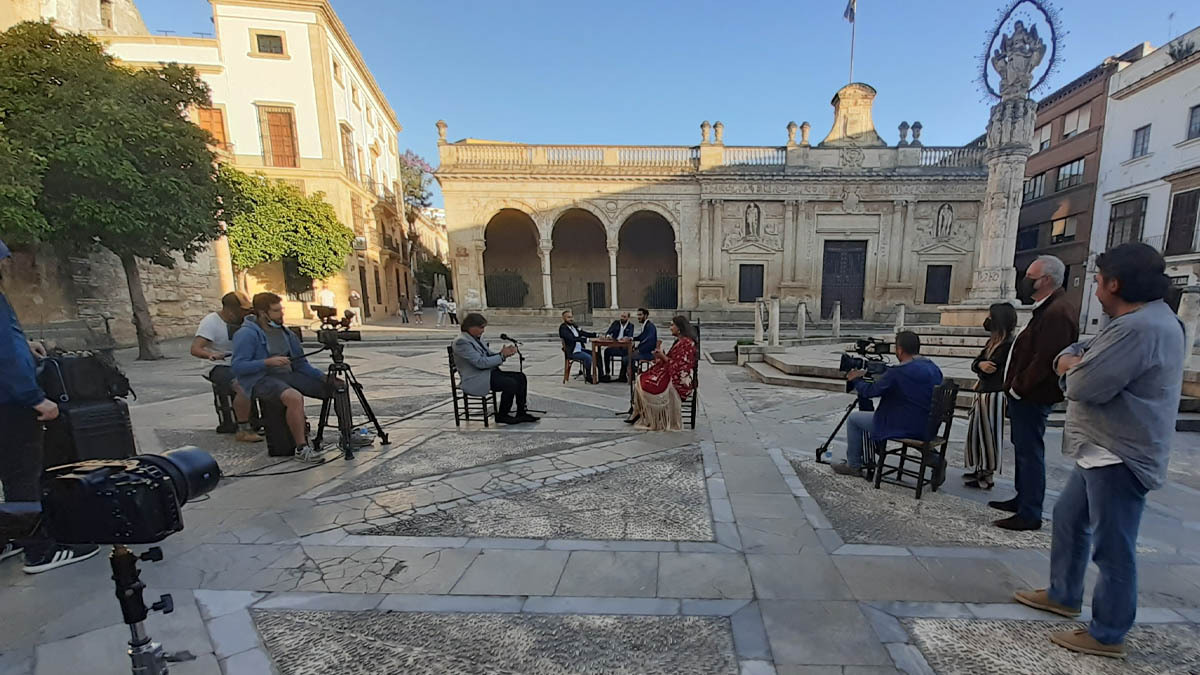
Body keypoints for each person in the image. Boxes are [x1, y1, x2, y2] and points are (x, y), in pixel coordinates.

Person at [1014, 243, 1185, 659]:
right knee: (1071, 521)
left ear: (1114, 283)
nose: (1093, 287)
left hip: (1120, 454)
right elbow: (1076, 352)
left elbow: (1083, 385)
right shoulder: (1132, 321)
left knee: (1113, 546)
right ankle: (1064, 593)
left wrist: (1070, 367)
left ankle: (1107, 632)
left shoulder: (1139, 329)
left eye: (1096, 279)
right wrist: (1072, 360)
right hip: (1099, 450)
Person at [0, 239, 100, 573]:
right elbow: (6, 357)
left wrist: (24, 343)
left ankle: (8, 537)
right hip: (10, 405)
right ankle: (39, 551)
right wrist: (35, 398)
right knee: (21, 476)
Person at [990, 254, 1079, 531]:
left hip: (1033, 396)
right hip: (1026, 395)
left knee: (1030, 452)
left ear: (1047, 280)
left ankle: (1030, 512)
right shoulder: (1048, 308)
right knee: (1023, 450)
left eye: (1031, 277)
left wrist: (1018, 388)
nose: (1026, 281)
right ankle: (1022, 498)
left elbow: (1045, 359)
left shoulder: (1057, 312)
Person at [232, 292, 333, 463]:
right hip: (260, 379)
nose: (281, 314)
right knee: (293, 397)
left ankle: (349, 434)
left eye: (281, 310)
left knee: (337, 387)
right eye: (276, 311)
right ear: (263, 313)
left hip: (286, 375)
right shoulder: (246, 334)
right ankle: (301, 448)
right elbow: (238, 366)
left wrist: (323, 377)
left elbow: (301, 364)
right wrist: (266, 362)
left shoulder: (287, 334)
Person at [832, 331, 944, 480]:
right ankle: (934, 458)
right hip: (928, 426)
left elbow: (871, 391)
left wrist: (856, 380)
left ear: (900, 350)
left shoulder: (898, 372)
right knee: (904, 416)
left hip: (906, 426)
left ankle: (853, 465)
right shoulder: (933, 368)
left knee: (854, 420)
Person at [191, 291, 262, 442]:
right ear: (230, 311)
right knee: (241, 385)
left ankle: (265, 421)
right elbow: (195, 349)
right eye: (242, 311)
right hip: (217, 365)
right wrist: (210, 355)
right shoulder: (210, 322)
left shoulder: (247, 321)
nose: (245, 314)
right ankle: (243, 429)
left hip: (241, 362)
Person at [963, 302, 1017, 490]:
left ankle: (987, 475)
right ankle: (979, 468)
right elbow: (978, 363)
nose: (988, 320)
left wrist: (981, 368)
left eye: (991, 317)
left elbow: (990, 369)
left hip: (994, 394)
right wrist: (980, 366)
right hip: (984, 392)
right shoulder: (993, 342)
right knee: (978, 433)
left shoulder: (1008, 344)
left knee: (989, 435)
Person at [452, 313, 538, 424]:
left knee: (520, 377)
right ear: (470, 326)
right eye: (481, 327)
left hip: (488, 373)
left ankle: (521, 411)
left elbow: (488, 355)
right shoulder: (462, 342)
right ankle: (502, 415)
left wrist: (503, 353)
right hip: (476, 378)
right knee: (510, 383)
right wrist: (501, 356)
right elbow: (480, 363)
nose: (483, 331)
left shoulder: (476, 338)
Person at [625, 315, 698, 431]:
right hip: (669, 372)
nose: (670, 328)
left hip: (678, 379)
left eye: (672, 325)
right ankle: (639, 411)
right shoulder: (679, 342)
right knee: (642, 377)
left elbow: (680, 366)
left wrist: (662, 356)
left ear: (679, 328)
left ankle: (643, 413)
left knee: (646, 382)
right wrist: (659, 356)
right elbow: (670, 359)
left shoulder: (686, 343)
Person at [559, 310, 596, 384]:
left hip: (580, 349)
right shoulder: (563, 328)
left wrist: (595, 335)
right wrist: (586, 340)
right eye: (568, 317)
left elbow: (582, 333)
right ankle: (588, 376)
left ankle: (601, 375)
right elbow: (572, 339)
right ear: (564, 318)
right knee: (588, 357)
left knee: (596, 354)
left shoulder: (574, 326)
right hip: (573, 351)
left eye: (571, 317)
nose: (571, 319)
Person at [601, 311, 635, 382]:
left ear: (628, 318)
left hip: (625, 348)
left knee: (626, 355)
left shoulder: (631, 325)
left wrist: (628, 338)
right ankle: (607, 372)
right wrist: (608, 336)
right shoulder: (615, 323)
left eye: (624, 317)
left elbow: (631, 336)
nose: (622, 318)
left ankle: (622, 375)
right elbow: (608, 332)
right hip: (615, 346)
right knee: (606, 351)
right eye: (621, 316)